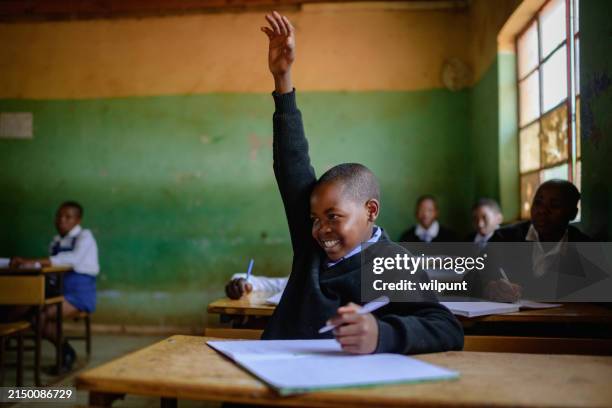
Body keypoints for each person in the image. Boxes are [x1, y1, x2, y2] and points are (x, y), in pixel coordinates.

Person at [258, 11, 463, 354]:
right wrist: (283, 79)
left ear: (370, 211)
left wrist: (381, 334)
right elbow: (291, 164)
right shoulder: (313, 247)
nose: (321, 229)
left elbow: (446, 328)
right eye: (314, 219)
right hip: (271, 367)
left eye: (333, 216)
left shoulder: (391, 263)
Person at [10, 201, 99, 373]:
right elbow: (51, 270)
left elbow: (73, 259)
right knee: (26, 307)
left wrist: (33, 261)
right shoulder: (56, 241)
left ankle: (65, 352)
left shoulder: (85, 237)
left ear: (78, 220)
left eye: (68, 217)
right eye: (59, 216)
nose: (61, 220)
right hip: (58, 291)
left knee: (39, 317)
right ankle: (64, 350)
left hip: (79, 295)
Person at [479, 180, 590, 302]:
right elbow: (472, 277)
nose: (542, 210)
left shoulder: (585, 248)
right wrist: (488, 288)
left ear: (573, 214)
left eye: (554, 205)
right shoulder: (504, 238)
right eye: (538, 203)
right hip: (509, 319)